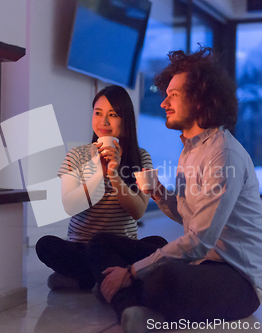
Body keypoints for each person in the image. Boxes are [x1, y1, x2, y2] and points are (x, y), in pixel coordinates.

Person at [86, 47, 262, 332]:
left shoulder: (223, 154)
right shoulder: (189, 148)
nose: (163, 103)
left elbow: (198, 241)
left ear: (199, 100)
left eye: (173, 95)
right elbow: (189, 216)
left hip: (237, 279)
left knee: (162, 278)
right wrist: (160, 193)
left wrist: (133, 272)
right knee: (102, 243)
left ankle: (120, 294)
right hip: (199, 263)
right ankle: (131, 304)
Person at [36, 85, 167, 290]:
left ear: (126, 120)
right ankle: (118, 277)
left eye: (112, 115)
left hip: (119, 246)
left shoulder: (141, 157)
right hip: (83, 247)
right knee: (45, 245)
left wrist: (114, 175)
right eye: (98, 113)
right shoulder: (76, 155)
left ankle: (86, 280)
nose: (103, 122)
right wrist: (98, 172)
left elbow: (139, 211)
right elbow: (69, 206)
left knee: (159, 243)